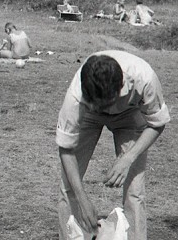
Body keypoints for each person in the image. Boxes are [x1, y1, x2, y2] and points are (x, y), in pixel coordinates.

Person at [56, 51, 171, 240]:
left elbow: (157, 123)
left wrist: (128, 158)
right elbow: (66, 148)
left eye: (105, 105)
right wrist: (82, 198)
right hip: (87, 115)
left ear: (121, 88)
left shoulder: (144, 78)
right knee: (69, 187)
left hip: (130, 113)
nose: (104, 112)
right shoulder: (76, 96)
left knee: (135, 191)